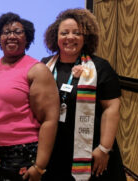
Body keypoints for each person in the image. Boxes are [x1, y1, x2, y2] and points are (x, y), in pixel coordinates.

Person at [40, 8, 126, 181]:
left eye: (77, 33)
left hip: (90, 148)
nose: (70, 37)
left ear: (85, 38)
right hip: (55, 148)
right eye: (64, 33)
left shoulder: (100, 67)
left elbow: (112, 108)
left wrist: (104, 148)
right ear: (55, 37)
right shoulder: (44, 66)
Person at [0, 12, 60, 181]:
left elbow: (49, 120)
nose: (11, 36)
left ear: (27, 37)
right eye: (6, 32)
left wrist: (40, 166)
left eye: (17, 31)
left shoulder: (37, 70)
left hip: (21, 153)